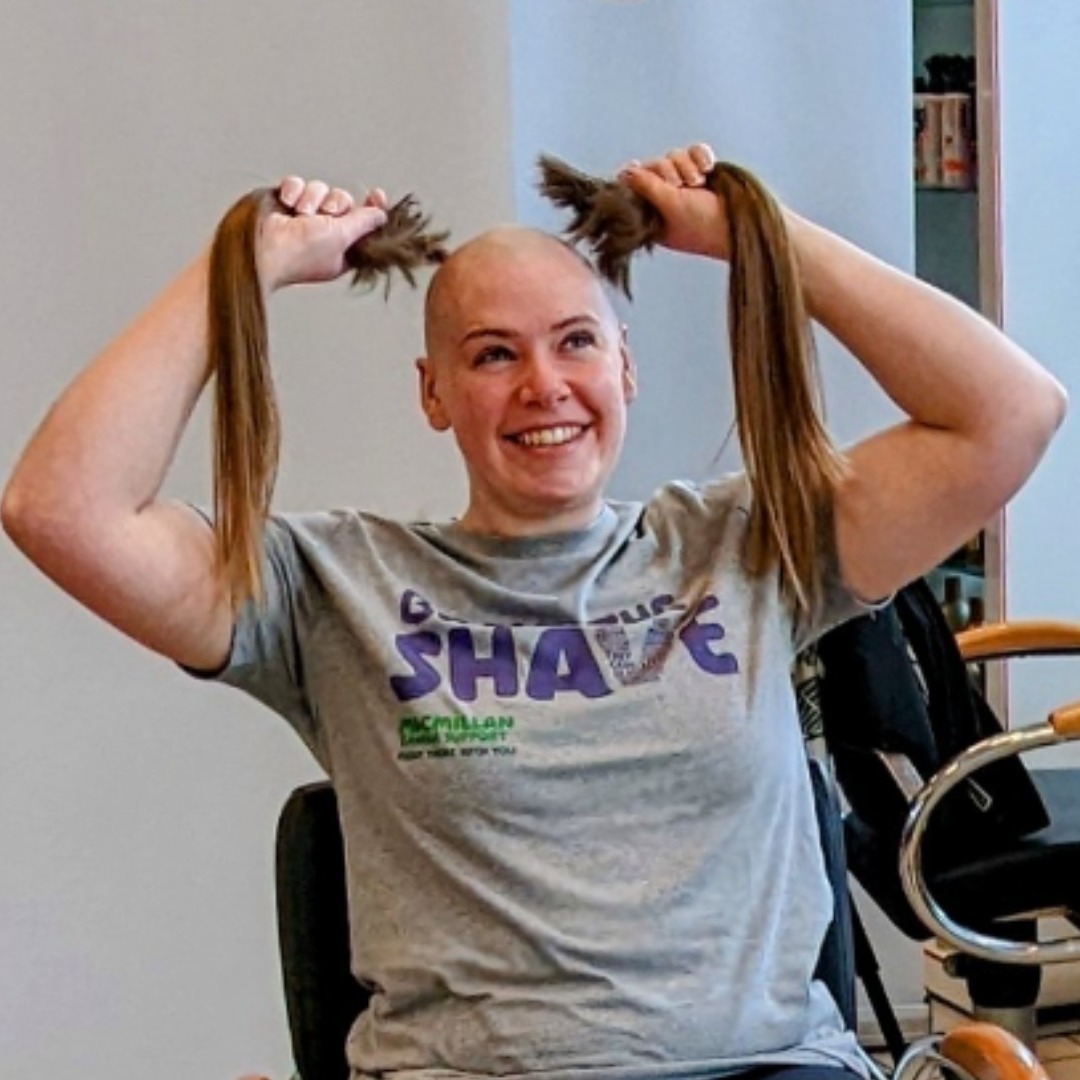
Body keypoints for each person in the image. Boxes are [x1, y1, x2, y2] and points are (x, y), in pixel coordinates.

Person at [2, 143, 1067, 1080]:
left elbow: (1010, 413)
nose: (543, 385)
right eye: (493, 354)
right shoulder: (329, 589)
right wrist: (240, 270)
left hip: (766, 1069)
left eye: (575, 342)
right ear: (434, 395)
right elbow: (59, 507)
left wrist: (762, 237)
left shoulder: (748, 547)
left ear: (626, 368)